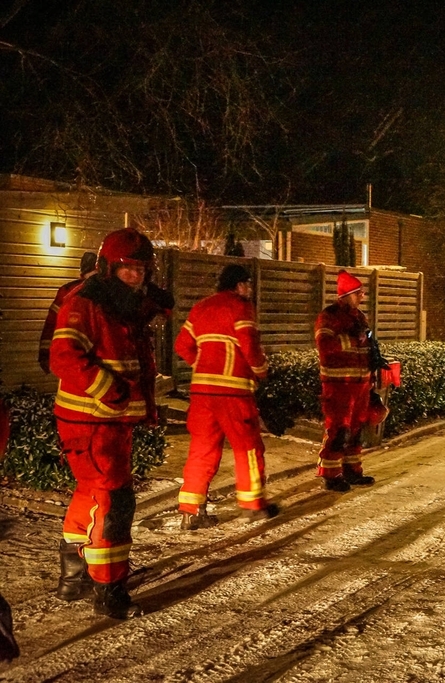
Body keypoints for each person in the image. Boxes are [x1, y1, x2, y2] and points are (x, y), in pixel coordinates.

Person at [49, 227, 172, 619]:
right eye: (127, 269)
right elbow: (63, 356)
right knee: (115, 502)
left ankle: (74, 575)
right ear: (107, 268)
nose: (135, 276)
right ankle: (110, 588)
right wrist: (110, 390)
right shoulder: (86, 303)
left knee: (92, 491)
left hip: (108, 421)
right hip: (92, 420)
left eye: (141, 270)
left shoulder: (121, 304)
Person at [174, 264, 277, 529]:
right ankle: (253, 505)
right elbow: (249, 345)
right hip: (233, 391)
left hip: (202, 392)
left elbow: (182, 345)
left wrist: (202, 365)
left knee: (202, 449)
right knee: (248, 447)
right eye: (248, 284)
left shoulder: (201, 307)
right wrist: (262, 371)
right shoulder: (240, 306)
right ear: (240, 285)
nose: (250, 290)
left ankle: (191, 511)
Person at [314, 271, 377, 491]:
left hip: (360, 384)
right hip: (338, 385)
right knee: (338, 430)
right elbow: (325, 345)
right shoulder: (329, 316)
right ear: (346, 295)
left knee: (356, 430)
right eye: (358, 293)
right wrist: (352, 340)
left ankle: (352, 471)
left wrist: (373, 372)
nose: (362, 296)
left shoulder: (360, 317)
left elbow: (366, 347)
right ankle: (331, 474)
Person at [38, 251, 98, 374]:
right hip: (100, 358)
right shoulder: (109, 291)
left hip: (69, 356)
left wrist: (45, 354)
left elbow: (51, 324)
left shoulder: (66, 291)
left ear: (81, 272)